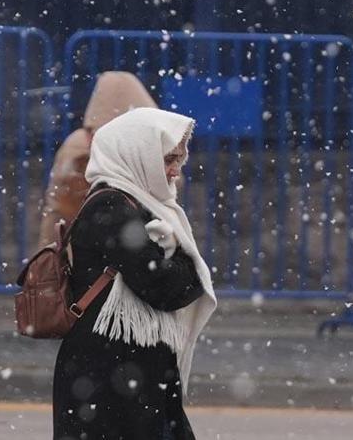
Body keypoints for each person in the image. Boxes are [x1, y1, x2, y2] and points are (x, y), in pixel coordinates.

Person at [52, 107, 217, 440]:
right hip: (108, 377)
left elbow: (172, 281)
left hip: (133, 373)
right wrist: (185, 263)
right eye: (167, 160)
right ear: (137, 154)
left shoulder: (146, 207)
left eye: (179, 161)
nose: (174, 171)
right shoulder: (111, 206)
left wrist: (178, 261)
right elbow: (165, 288)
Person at [39, 71, 158, 247]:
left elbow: (60, 210)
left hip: (80, 253)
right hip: (117, 252)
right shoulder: (142, 149)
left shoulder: (81, 144)